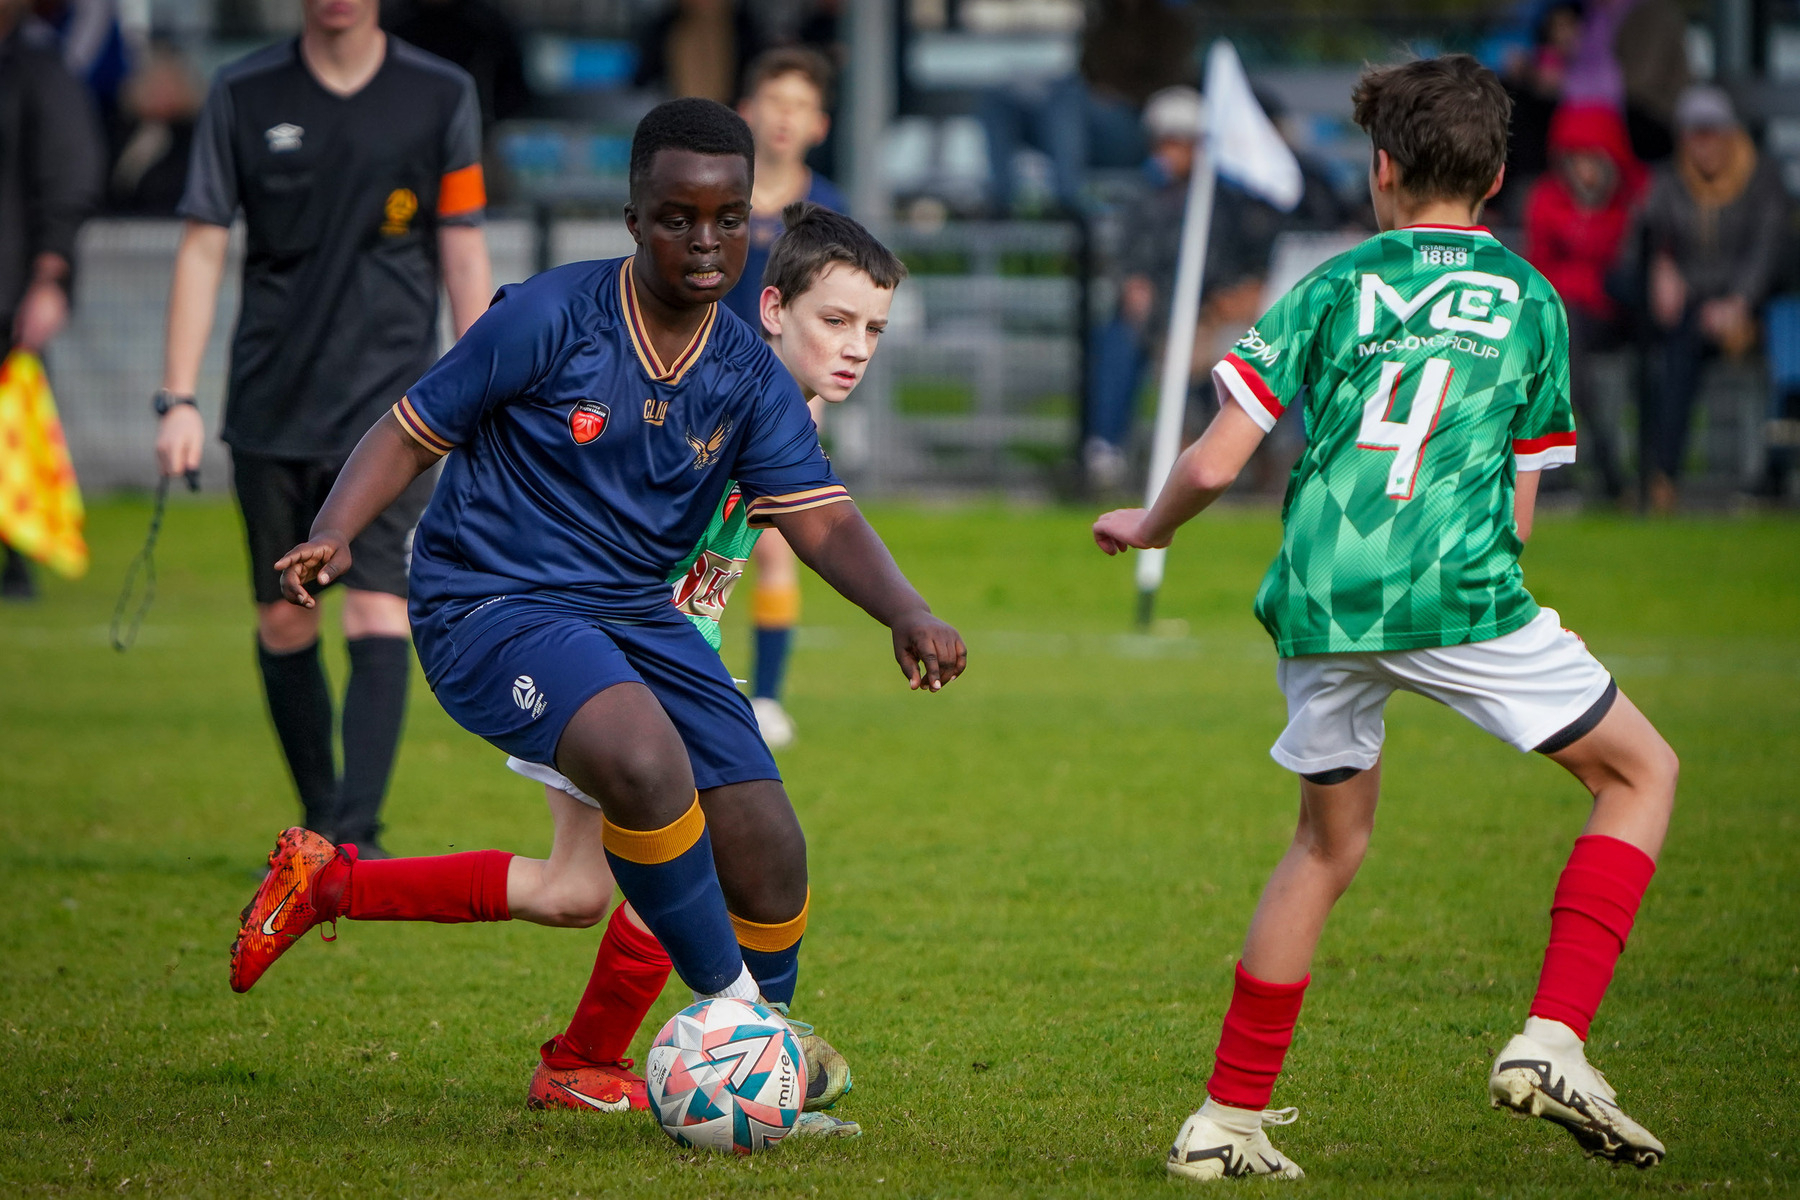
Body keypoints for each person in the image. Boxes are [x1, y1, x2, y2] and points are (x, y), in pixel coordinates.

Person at [225, 101, 965, 1133]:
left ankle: (759, 1084)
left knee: (764, 842)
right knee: (645, 764)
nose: (705, 241)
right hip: (492, 604)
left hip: (632, 614)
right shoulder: (549, 317)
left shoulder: (748, 374)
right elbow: (409, 428)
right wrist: (339, 530)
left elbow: (823, 520)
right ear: (632, 219)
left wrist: (908, 610)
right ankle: (744, 1034)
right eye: (677, 217)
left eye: (728, 219)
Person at [1093, 55, 1677, 1179]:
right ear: (1500, 176)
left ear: (1381, 169)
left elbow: (1222, 455)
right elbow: (1522, 501)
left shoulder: (1333, 284)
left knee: (1323, 847)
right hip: (1459, 592)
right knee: (1640, 773)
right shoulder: (1533, 302)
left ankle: (1225, 1122)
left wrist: (1153, 524)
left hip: (1320, 598)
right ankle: (1553, 1037)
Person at [514, 201, 904, 1130]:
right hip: (603, 661)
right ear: (771, 309)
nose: (857, 348)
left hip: (679, 665)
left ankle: (334, 884)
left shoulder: (788, 419)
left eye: (875, 330)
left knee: (590, 890)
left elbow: (799, 531)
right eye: (836, 322)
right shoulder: (711, 395)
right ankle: (746, 1056)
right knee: (690, 870)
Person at [152, 0, 494, 853]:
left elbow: (462, 245)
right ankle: (322, 818)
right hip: (269, 406)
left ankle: (358, 837)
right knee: (285, 620)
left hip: (397, 411)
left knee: (379, 610)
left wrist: (489, 384)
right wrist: (177, 397)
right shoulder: (241, 92)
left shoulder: (441, 93)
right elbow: (201, 245)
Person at [724, 44, 846, 747]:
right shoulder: (719, 199)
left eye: (799, 106)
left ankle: (766, 699)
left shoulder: (828, 210)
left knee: (770, 545)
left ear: (819, 125)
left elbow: (834, 313)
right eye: (774, 102)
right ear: (747, 113)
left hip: (776, 404)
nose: (784, 118)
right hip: (695, 400)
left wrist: (811, 400)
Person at [1626, 85, 1786, 513]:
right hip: (1695, 307)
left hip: (1758, 305)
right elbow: (1642, 238)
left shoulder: (1761, 177)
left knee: (1779, 360)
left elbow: (1770, 249)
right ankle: (1661, 474)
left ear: (1730, 133)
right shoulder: (1670, 181)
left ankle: (1770, 477)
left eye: (1712, 132)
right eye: (1695, 133)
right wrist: (1662, 265)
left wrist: (1740, 301)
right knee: (1671, 348)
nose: (1704, 143)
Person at [0, 0, 104, 601]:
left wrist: (49, 278)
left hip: (9, 292)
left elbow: (68, 178)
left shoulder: (39, 68)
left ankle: (15, 556)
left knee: (15, 428)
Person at [1524, 104, 1645, 500]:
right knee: (1565, 338)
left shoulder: (1632, 201)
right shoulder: (1546, 199)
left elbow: (1626, 272)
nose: (1584, 169)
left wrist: (1578, 278)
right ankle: (1604, 461)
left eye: (1594, 159)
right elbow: (1538, 269)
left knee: (1566, 339)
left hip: (1615, 317)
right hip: (1566, 317)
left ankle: (1560, 462)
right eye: (1576, 159)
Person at [979, 0, 1194, 216]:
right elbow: (1085, 72)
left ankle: (1069, 201)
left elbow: (1172, 89)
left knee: (1067, 98)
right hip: (1085, 120)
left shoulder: (1170, 26)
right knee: (998, 96)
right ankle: (1002, 203)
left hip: (1137, 128)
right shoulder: (1101, 17)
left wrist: (1117, 96)